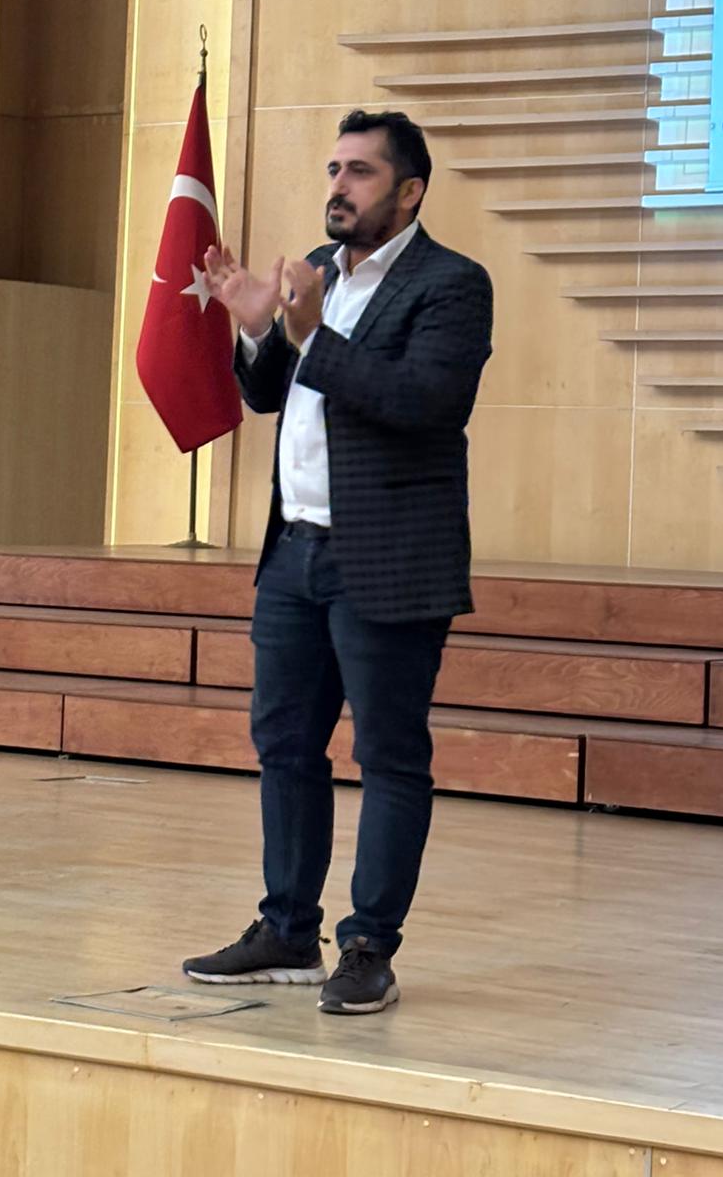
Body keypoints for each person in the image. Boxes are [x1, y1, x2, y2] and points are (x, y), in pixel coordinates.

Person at [183, 108, 493, 1015]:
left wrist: (312, 335)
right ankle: (287, 930)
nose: (339, 187)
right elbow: (270, 394)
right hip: (294, 553)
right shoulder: (318, 274)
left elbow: (423, 402)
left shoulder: (451, 284)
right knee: (284, 744)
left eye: (360, 172)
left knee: (388, 755)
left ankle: (368, 948)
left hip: (387, 559)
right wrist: (257, 332)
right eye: (333, 169)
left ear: (410, 191)